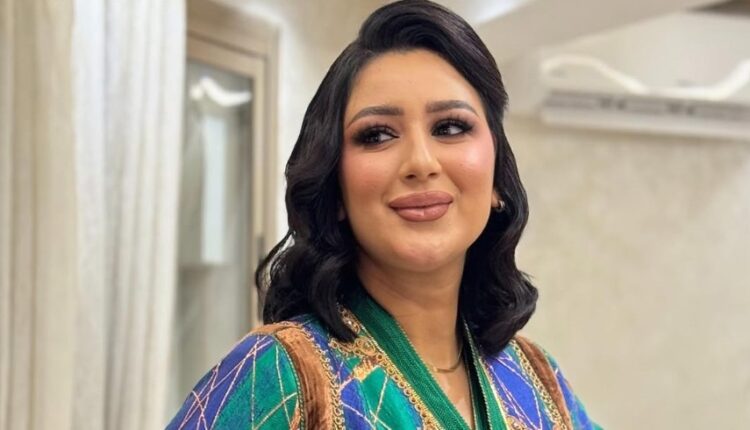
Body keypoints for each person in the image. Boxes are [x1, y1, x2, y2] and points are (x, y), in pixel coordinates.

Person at [168, 1, 600, 428]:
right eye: (376, 135)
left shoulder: (537, 381)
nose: (421, 162)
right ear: (335, 187)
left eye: (451, 127)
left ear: (497, 181)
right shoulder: (281, 375)